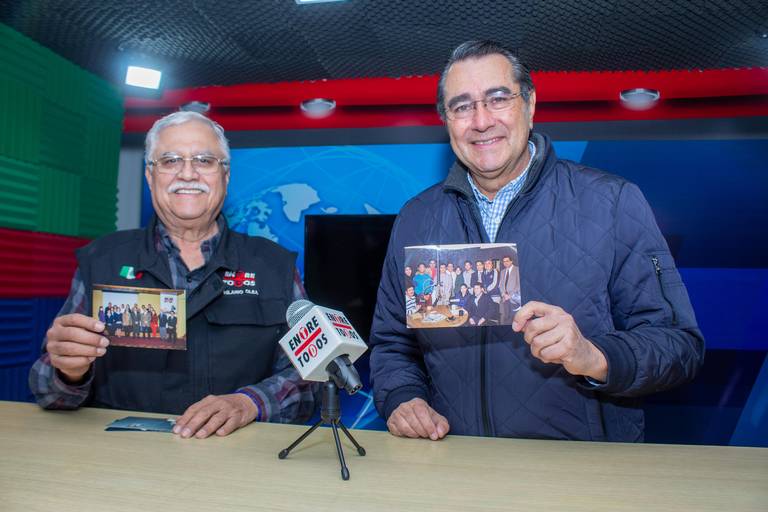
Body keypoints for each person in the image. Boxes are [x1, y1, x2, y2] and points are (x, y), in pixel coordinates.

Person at [369, 40, 704, 442]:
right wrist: (403, 397)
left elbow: (678, 346)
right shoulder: (416, 218)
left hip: (579, 474)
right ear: (446, 120)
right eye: (461, 106)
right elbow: (392, 344)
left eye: (497, 99)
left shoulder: (612, 202)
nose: (480, 120)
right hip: (455, 466)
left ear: (529, 104)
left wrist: (593, 355)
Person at [29, 111, 317, 439]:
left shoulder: (274, 266)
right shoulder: (101, 260)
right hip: (122, 463)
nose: (188, 172)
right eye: (169, 160)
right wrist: (69, 373)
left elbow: (310, 377)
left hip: (239, 464)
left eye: (205, 160)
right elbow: (47, 391)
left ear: (225, 175)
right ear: (150, 176)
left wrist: (248, 402)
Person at [498, 255, 521, 324]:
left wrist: (510, 295)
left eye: (507, 261)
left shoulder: (517, 269)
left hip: (514, 298)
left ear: (511, 261)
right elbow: (500, 285)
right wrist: (503, 294)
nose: (505, 263)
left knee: (515, 317)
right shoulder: (502, 271)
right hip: (504, 298)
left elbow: (519, 285)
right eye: (504, 261)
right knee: (505, 317)